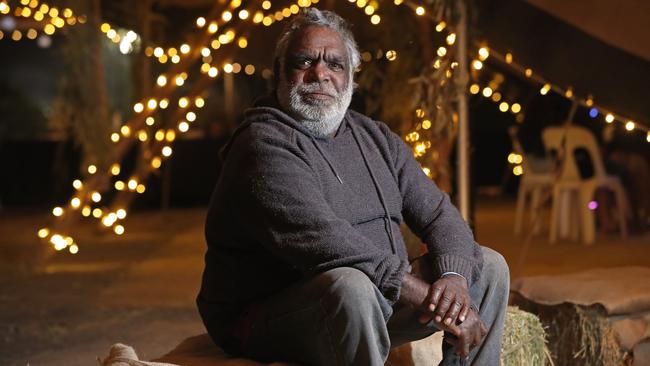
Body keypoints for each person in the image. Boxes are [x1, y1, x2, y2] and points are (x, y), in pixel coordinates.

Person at [197, 8, 509, 365]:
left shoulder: (376, 138)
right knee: (351, 284)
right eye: (304, 62)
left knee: (487, 267)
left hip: (376, 301)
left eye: (335, 64)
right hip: (267, 316)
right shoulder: (261, 145)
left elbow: (439, 214)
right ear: (281, 71)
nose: (320, 73)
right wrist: (421, 293)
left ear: (350, 78)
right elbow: (325, 242)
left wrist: (453, 280)